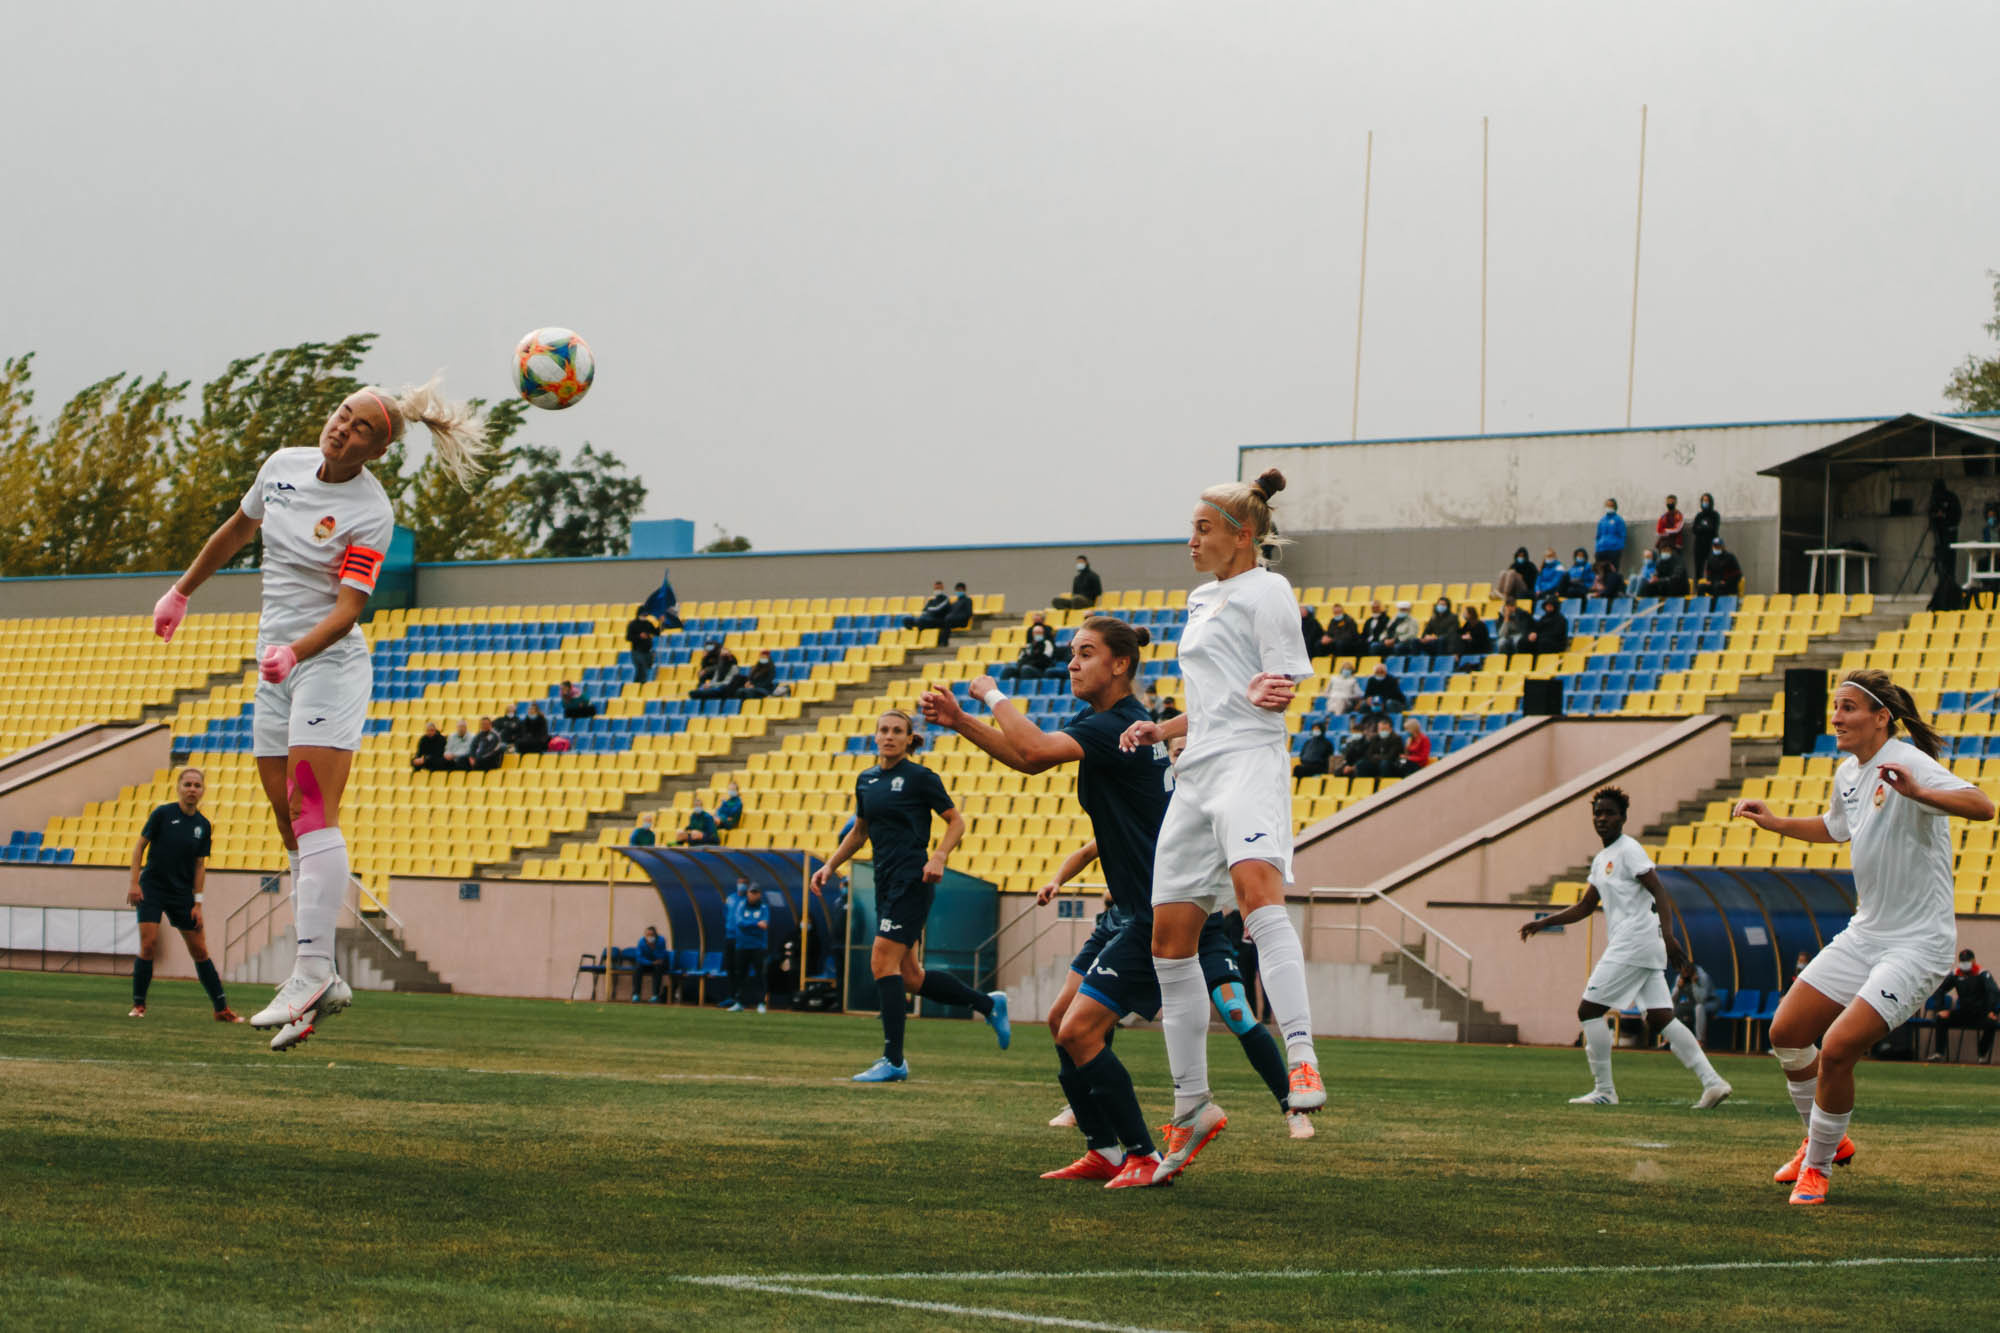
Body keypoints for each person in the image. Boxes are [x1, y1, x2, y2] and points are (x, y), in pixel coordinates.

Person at [153, 375, 489, 1052]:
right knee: (289, 824)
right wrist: (181, 591)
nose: (343, 428)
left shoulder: (371, 511)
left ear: (378, 450)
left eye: (362, 426)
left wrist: (296, 653)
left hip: (325, 664)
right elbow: (238, 527)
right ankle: (325, 982)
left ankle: (307, 970)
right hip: (274, 663)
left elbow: (348, 609)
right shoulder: (281, 465)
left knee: (313, 812)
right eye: (343, 414)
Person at [924, 616, 1304, 1189]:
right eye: (1072, 654)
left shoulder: (1118, 725)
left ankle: (1145, 1153)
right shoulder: (1109, 724)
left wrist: (991, 694)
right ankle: (1103, 1149)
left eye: (1085, 653)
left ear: (1120, 664)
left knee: (1081, 1032)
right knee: (1062, 1023)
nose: (1072, 663)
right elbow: (1024, 755)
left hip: (1159, 911)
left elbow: (1030, 752)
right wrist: (959, 721)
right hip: (1140, 906)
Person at [1113, 467, 1327, 1182]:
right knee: (1169, 939)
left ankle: (1300, 1056)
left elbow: (1281, 680)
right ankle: (1194, 1103)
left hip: (1247, 764)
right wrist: (1160, 726)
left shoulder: (1269, 589)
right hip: (1195, 769)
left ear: (1243, 534)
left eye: (1202, 529)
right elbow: (1214, 700)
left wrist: (1278, 690)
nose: (1191, 540)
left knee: (1259, 894)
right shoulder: (1202, 598)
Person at [1731, 669, 1995, 1204]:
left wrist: (1921, 792)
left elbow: (1984, 806)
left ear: (1881, 717)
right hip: (1866, 932)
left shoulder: (1909, 762)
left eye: (1848, 708)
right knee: (1785, 1031)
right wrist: (1777, 822)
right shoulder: (1849, 773)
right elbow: (1835, 828)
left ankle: (1818, 1168)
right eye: (1835, 708)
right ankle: (1827, 1140)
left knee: (1839, 1046)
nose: (1836, 718)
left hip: (1918, 944)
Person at [810, 710, 1004, 1080]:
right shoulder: (866, 780)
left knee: (881, 962)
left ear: (908, 738)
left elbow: (956, 821)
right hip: (884, 881)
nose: (889, 736)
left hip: (913, 879)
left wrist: (940, 856)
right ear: (875, 736)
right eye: (883, 730)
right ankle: (988, 1004)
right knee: (911, 977)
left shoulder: (919, 778)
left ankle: (894, 1060)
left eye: (897, 731)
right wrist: (829, 865)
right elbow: (860, 831)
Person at [1520, 786, 1732, 1110]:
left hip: (1634, 940)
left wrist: (1670, 936)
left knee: (1588, 1011)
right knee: (1661, 1017)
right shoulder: (1602, 859)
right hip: (1640, 944)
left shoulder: (1629, 850)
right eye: (1598, 813)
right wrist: (1544, 922)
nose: (1602, 818)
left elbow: (1659, 891)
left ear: (1623, 818)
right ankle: (1713, 1083)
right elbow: (1586, 906)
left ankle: (1604, 1090)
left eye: (1609, 813)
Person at [124, 767, 240, 1022]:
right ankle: (139, 1005)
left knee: (199, 950)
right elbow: (139, 847)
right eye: (187, 784)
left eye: (196, 786)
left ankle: (221, 1009)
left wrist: (197, 903)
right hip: (153, 888)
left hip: (182, 895)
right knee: (149, 944)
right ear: (178, 787)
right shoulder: (163, 814)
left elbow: (200, 865)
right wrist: (134, 883)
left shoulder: (203, 825)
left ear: (202, 791)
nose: (191, 789)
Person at [1927, 948, 1999, 1064]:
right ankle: (1939, 1053)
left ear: (1973, 960)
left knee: (1991, 1023)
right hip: (1963, 1012)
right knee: (1941, 1019)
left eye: (1967, 961)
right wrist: (1941, 1009)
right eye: (1962, 961)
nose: (1965, 963)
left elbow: (1994, 992)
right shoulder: (1956, 974)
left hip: (1980, 1014)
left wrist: (1992, 1011)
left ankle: (1982, 1055)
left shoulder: (1982, 974)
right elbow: (1940, 990)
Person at [730, 884, 770, 1014]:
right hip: (742, 946)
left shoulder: (764, 907)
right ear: (748, 893)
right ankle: (739, 1002)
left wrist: (752, 925)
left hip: (758, 947)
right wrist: (755, 923)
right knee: (740, 974)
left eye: (755, 892)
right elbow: (740, 922)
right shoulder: (741, 905)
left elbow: (764, 924)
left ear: (759, 894)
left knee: (760, 975)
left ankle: (761, 1003)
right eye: (751, 892)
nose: (753, 895)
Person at [1672, 960, 1720, 1045]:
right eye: (1682, 972)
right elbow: (1673, 999)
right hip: (1692, 1003)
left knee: (1699, 1008)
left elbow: (1701, 1000)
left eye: (1686, 971)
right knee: (1672, 1007)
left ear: (1692, 970)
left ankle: (1700, 1040)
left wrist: (1695, 984)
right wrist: (1678, 988)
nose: (1684, 974)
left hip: (1710, 1002)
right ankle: (1669, 1038)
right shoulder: (1680, 977)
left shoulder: (1703, 977)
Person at [631, 925, 668, 1003]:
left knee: (658, 967)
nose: (650, 937)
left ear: (655, 935)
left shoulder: (661, 941)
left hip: (658, 964)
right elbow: (639, 958)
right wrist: (650, 962)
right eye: (648, 935)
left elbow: (661, 956)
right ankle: (636, 995)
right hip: (647, 963)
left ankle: (655, 995)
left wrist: (653, 948)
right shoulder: (641, 941)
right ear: (645, 935)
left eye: (652, 935)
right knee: (637, 967)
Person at [1690, 494, 1721, 585]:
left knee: (1713, 567)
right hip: (1699, 545)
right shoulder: (1699, 515)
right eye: (1703, 500)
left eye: (1707, 500)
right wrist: (1704, 527)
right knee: (1699, 569)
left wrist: (1703, 527)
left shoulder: (1715, 515)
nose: (1705, 503)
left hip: (1711, 545)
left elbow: (1713, 529)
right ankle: (1699, 588)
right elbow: (1694, 529)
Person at [625, 611, 659, 685]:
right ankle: (638, 686)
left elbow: (656, 632)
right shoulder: (633, 624)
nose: (644, 617)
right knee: (641, 669)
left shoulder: (648, 623)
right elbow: (628, 637)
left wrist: (660, 622)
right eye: (643, 615)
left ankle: (639, 686)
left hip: (647, 651)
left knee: (647, 667)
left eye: (645, 615)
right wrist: (639, 636)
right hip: (637, 651)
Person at [1596, 498, 1628, 572]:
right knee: (1601, 571)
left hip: (1614, 550)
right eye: (1607, 505)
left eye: (1611, 506)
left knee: (1613, 571)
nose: (1609, 508)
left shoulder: (1618, 520)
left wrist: (1619, 547)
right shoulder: (1602, 520)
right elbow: (1598, 535)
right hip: (1601, 550)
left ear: (1615, 507)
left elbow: (1622, 535)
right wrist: (1598, 546)